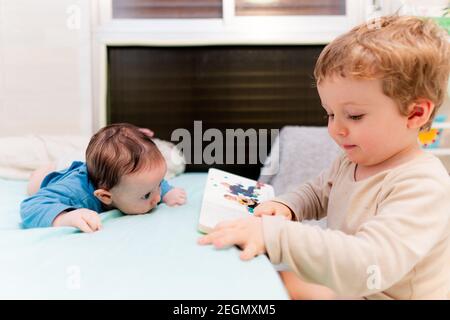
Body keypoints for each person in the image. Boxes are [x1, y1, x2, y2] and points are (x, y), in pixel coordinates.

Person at [198, 15, 450, 299]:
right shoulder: (354, 161)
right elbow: (318, 192)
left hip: (374, 287)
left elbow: (368, 265)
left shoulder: (424, 186)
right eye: (330, 113)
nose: (336, 128)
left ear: (415, 114)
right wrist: (288, 206)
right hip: (353, 289)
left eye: (354, 115)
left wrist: (275, 235)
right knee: (267, 284)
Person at [21, 123, 187, 232]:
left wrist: (167, 191)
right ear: (106, 196)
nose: (157, 198)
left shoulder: (140, 184)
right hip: (56, 174)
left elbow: (149, 182)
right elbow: (30, 207)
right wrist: (66, 216)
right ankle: (50, 166)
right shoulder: (76, 193)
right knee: (35, 181)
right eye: (146, 196)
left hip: (92, 167)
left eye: (159, 185)